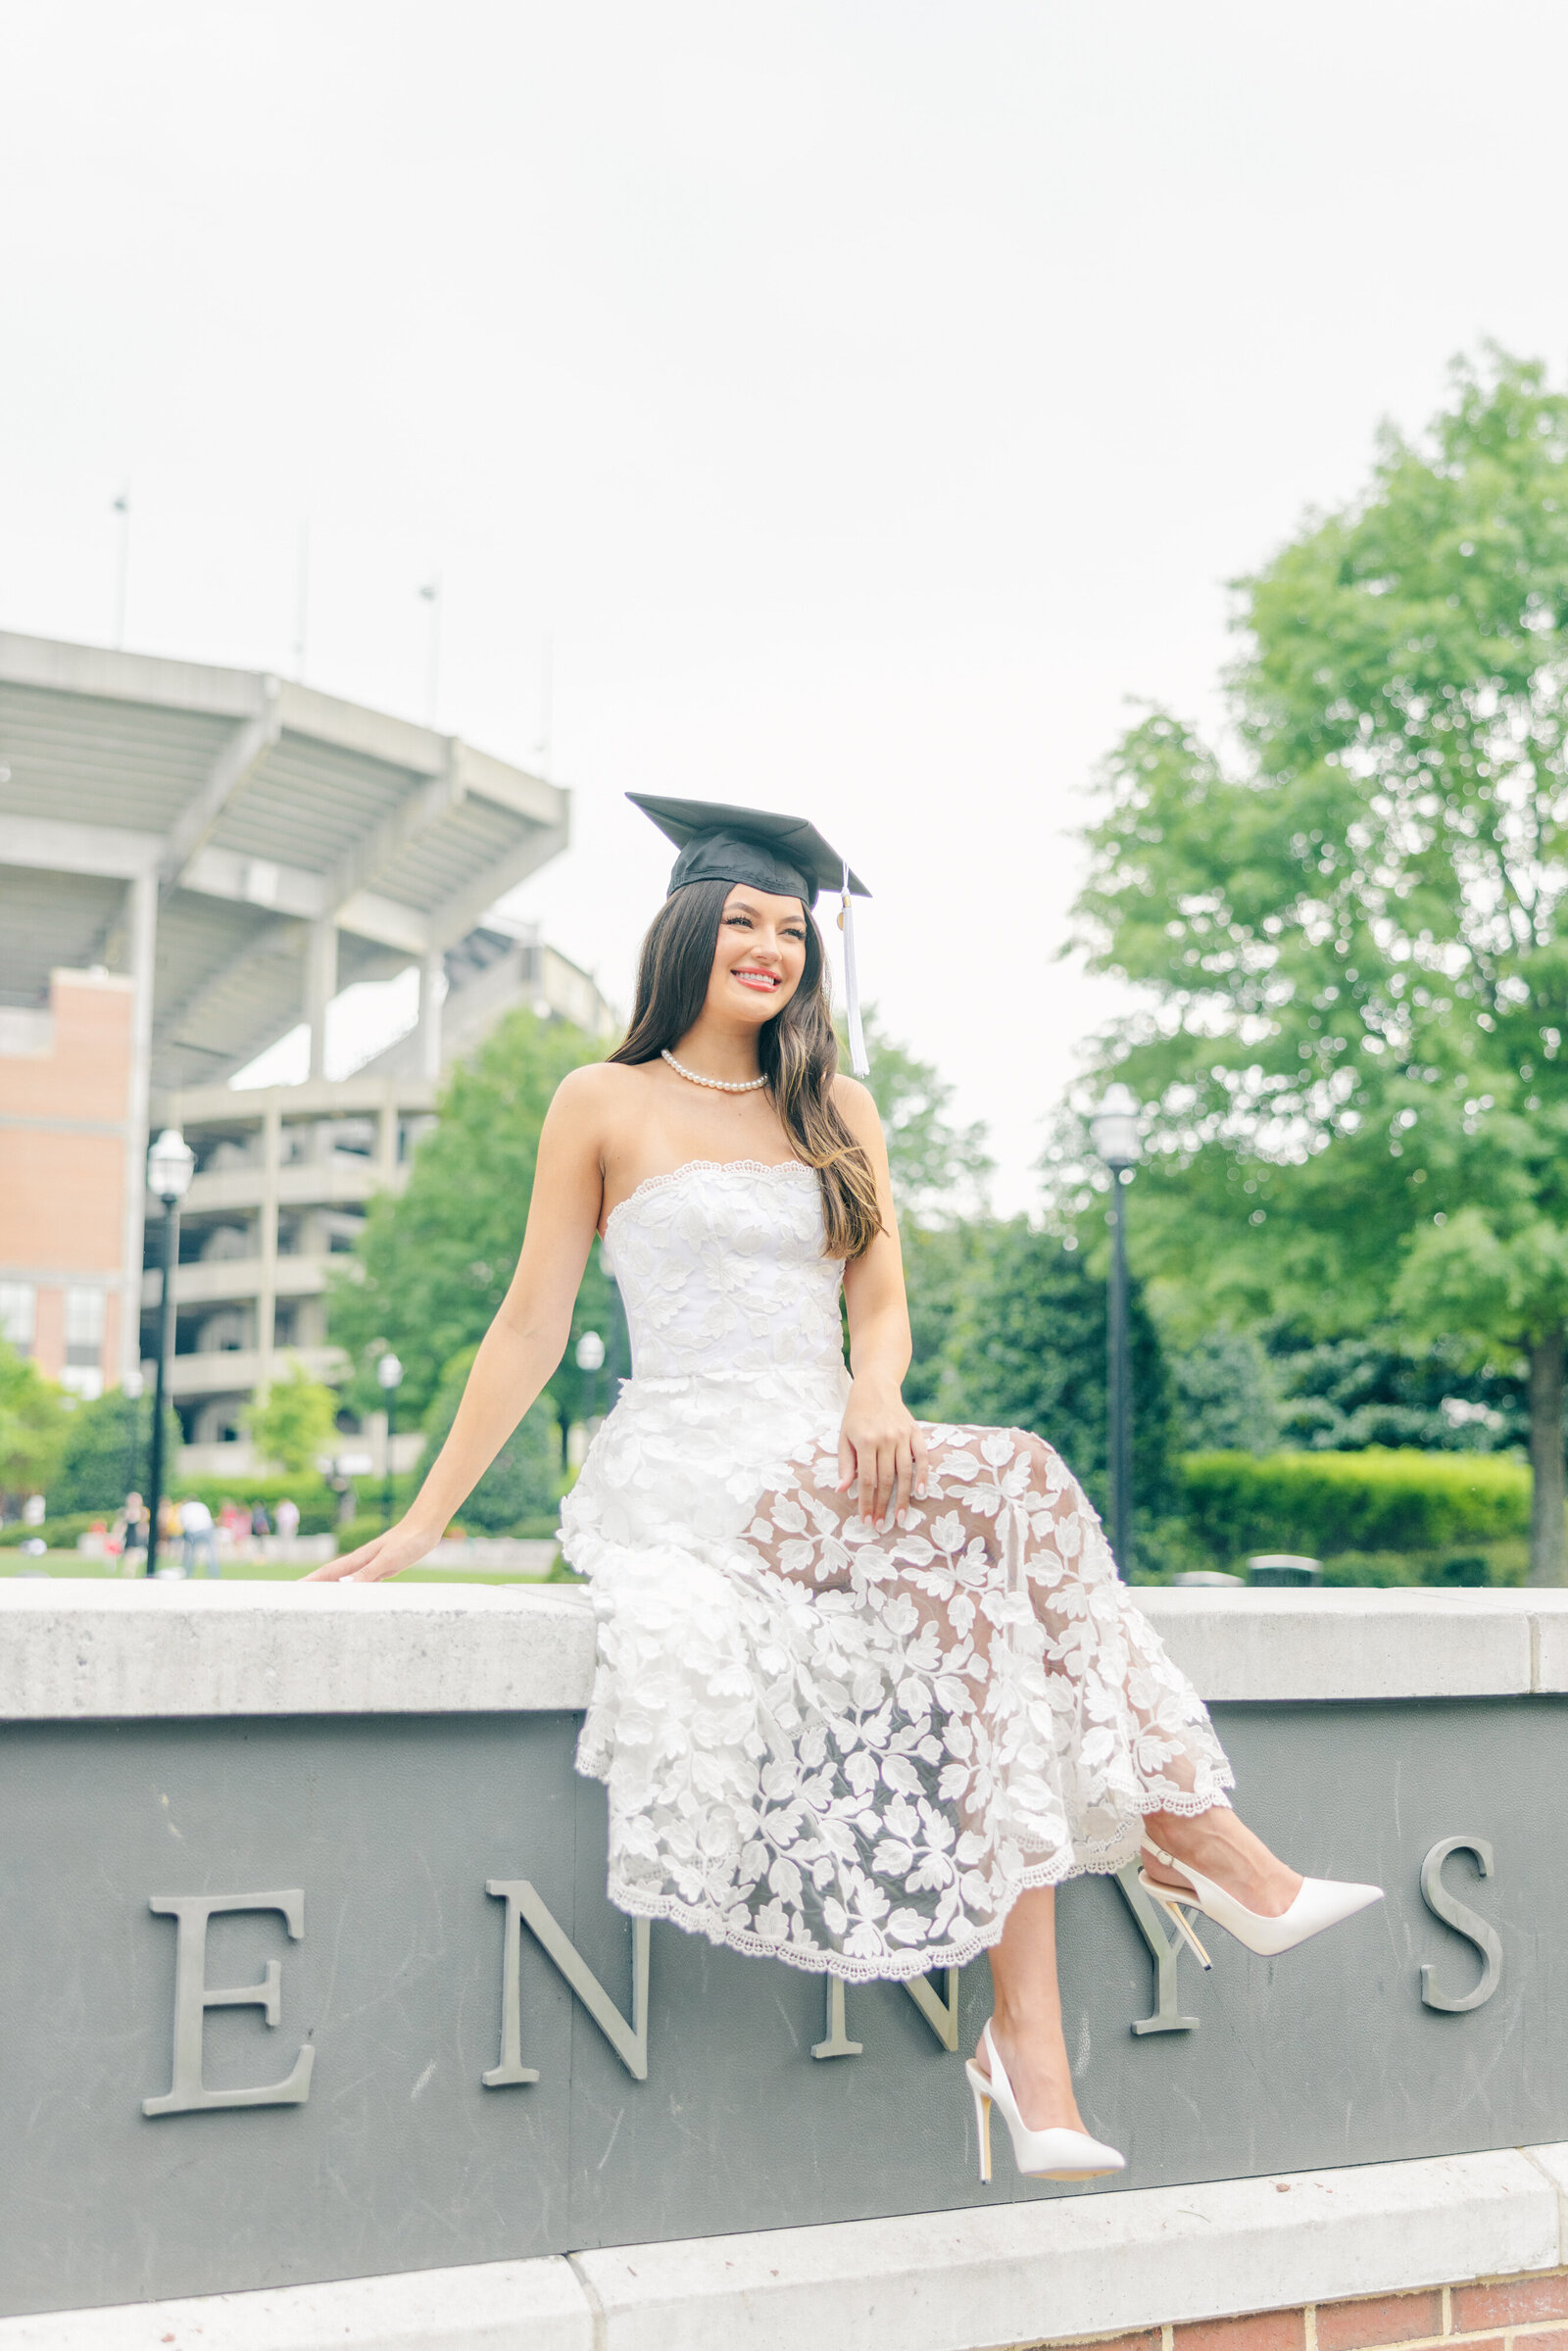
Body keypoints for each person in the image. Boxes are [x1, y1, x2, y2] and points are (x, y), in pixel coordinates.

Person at [309, 796, 1382, 2184]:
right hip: (700, 1472)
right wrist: (425, 1517)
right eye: (745, 921)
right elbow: (528, 1321)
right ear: (689, 927)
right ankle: (1202, 1838)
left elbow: (881, 1303)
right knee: (1025, 1475)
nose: (771, 948)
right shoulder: (601, 1098)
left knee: (988, 1618)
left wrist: (877, 1388)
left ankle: (1031, 2060)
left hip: (841, 1450)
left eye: (793, 930)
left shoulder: (838, 1104)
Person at [179, 1495, 218, 1578]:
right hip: (207, 1528)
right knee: (211, 1552)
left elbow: (183, 1522)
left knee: (190, 1553)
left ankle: (188, 1573)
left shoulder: (185, 1507)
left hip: (193, 1530)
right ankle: (214, 1574)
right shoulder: (202, 1505)